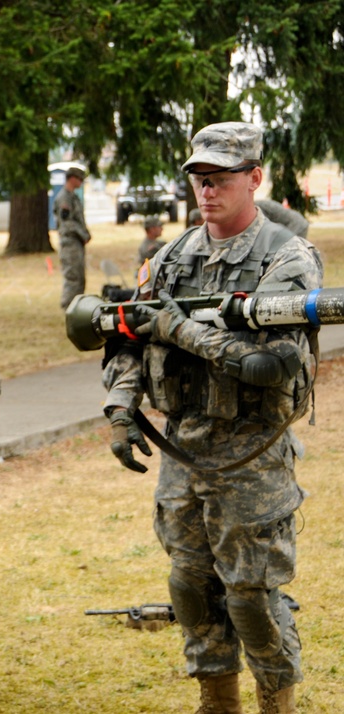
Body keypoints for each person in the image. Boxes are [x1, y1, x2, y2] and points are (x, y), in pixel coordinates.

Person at [101, 122, 322, 713]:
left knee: (251, 596)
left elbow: (271, 366)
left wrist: (184, 331)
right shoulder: (170, 257)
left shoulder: (287, 260)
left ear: (254, 179)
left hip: (251, 453)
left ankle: (277, 703)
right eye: (200, 178)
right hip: (185, 449)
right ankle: (216, 699)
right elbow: (129, 335)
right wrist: (121, 406)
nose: (207, 190)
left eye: (221, 178)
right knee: (190, 586)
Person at [53, 166, 91, 310]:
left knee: (80, 277)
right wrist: (83, 234)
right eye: (80, 179)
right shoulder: (64, 197)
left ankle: (77, 307)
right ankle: (68, 307)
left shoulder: (73, 196)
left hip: (77, 242)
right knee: (73, 277)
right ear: (72, 178)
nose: (81, 182)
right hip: (70, 242)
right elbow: (67, 223)